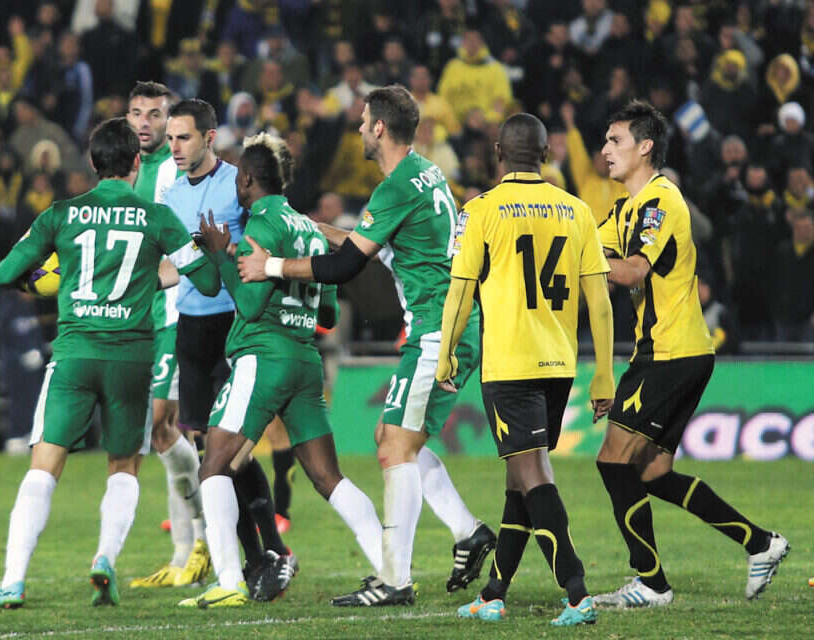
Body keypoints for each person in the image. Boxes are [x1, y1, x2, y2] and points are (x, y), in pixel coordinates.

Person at [238, 85, 496, 605]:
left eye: (362, 121)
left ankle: (395, 580)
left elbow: (344, 267)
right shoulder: (425, 173)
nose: (357, 129)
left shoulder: (395, 187)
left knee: (394, 446)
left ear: (379, 127)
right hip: (451, 324)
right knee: (392, 436)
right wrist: (316, 227)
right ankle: (468, 532)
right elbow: (372, 247)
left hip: (438, 329)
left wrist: (272, 265)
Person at [0, 117, 221, 611]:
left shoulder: (61, 214)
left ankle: (13, 580)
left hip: (75, 355)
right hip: (131, 359)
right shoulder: (157, 217)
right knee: (123, 466)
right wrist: (202, 252)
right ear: (136, 164)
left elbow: (3, 273)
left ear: (91, 162)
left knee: (44, 465)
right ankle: (105, 558)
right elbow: (208, 282)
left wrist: (44, 278)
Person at [593, 100, 789, 609]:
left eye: (615, 140)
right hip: (674, 353)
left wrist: (581, 259)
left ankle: (651, 583)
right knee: (653, 474)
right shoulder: (625, 209)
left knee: (613, 461)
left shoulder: (661, 201)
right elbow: (591, 251)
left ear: (645, 146)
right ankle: (760, 543)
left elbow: (631, 271)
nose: (605, 149)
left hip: (669, 353)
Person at [177, 133, 385, 608]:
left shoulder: (261, 223)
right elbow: (327, 313)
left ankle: (230, 581)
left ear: (249, 179)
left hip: (263, 356)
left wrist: (221, 254)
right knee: (328, 478)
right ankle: (391, 570)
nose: (236, 187)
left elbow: (250, 306)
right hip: (305, 360)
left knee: (213, 466)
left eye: (238, 179)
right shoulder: (309, 228)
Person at [436, 112, 614, 627]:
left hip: (510, 364)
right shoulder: (577, 210)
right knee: (519, 479)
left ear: (497, 153)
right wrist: (604, 373)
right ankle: (494, 592)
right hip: (559, 364)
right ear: (547, 154)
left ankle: (577, 592)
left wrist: (447, 353)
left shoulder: (480, 210)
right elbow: (600, 303)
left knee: (532, 473)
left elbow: (460, 292)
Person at [162, 98, 294, 598]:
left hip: (232, 326)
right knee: (208, 453)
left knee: (231, 450)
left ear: (209, 137)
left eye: (183, 137)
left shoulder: (238, 184)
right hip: (191, 330)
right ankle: (257, 558)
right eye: (171, 138)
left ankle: (274, 551)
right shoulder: (172, 195)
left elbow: (268, 237)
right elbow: (175, 265)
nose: (175, 147)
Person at [123, 81, 212, 590]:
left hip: (179, 310)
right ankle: (185, 552)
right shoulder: (130, 171)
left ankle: (203, 541)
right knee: (164, 434)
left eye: (154, 114)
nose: (144, 122)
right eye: (137, 112)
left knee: (164, 422)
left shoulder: (173, 172)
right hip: (147, 315)